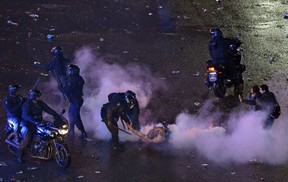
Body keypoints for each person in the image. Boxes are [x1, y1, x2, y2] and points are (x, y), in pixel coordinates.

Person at [20, 89, 61, 163]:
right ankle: (19, 154)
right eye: (37, 96)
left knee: (48, 131)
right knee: (28, 137)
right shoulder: (27, 104)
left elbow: (48, 109)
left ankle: (46, 150)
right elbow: (26, 115)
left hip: (39, 121)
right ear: (33, 96)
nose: (38, 98)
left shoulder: (40, 103)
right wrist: (35, 121)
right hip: (27, 122)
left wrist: (56, 115)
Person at [60, 64, 88, 139]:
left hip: (75, 100)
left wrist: (61, 88)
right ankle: (73, 131)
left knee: (75, 117)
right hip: (76, 100)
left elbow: (67, 90)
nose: (69, 71)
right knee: (72, 115)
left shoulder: (74, 80)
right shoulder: (79, 78)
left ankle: (82, 132)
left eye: (70, 70)